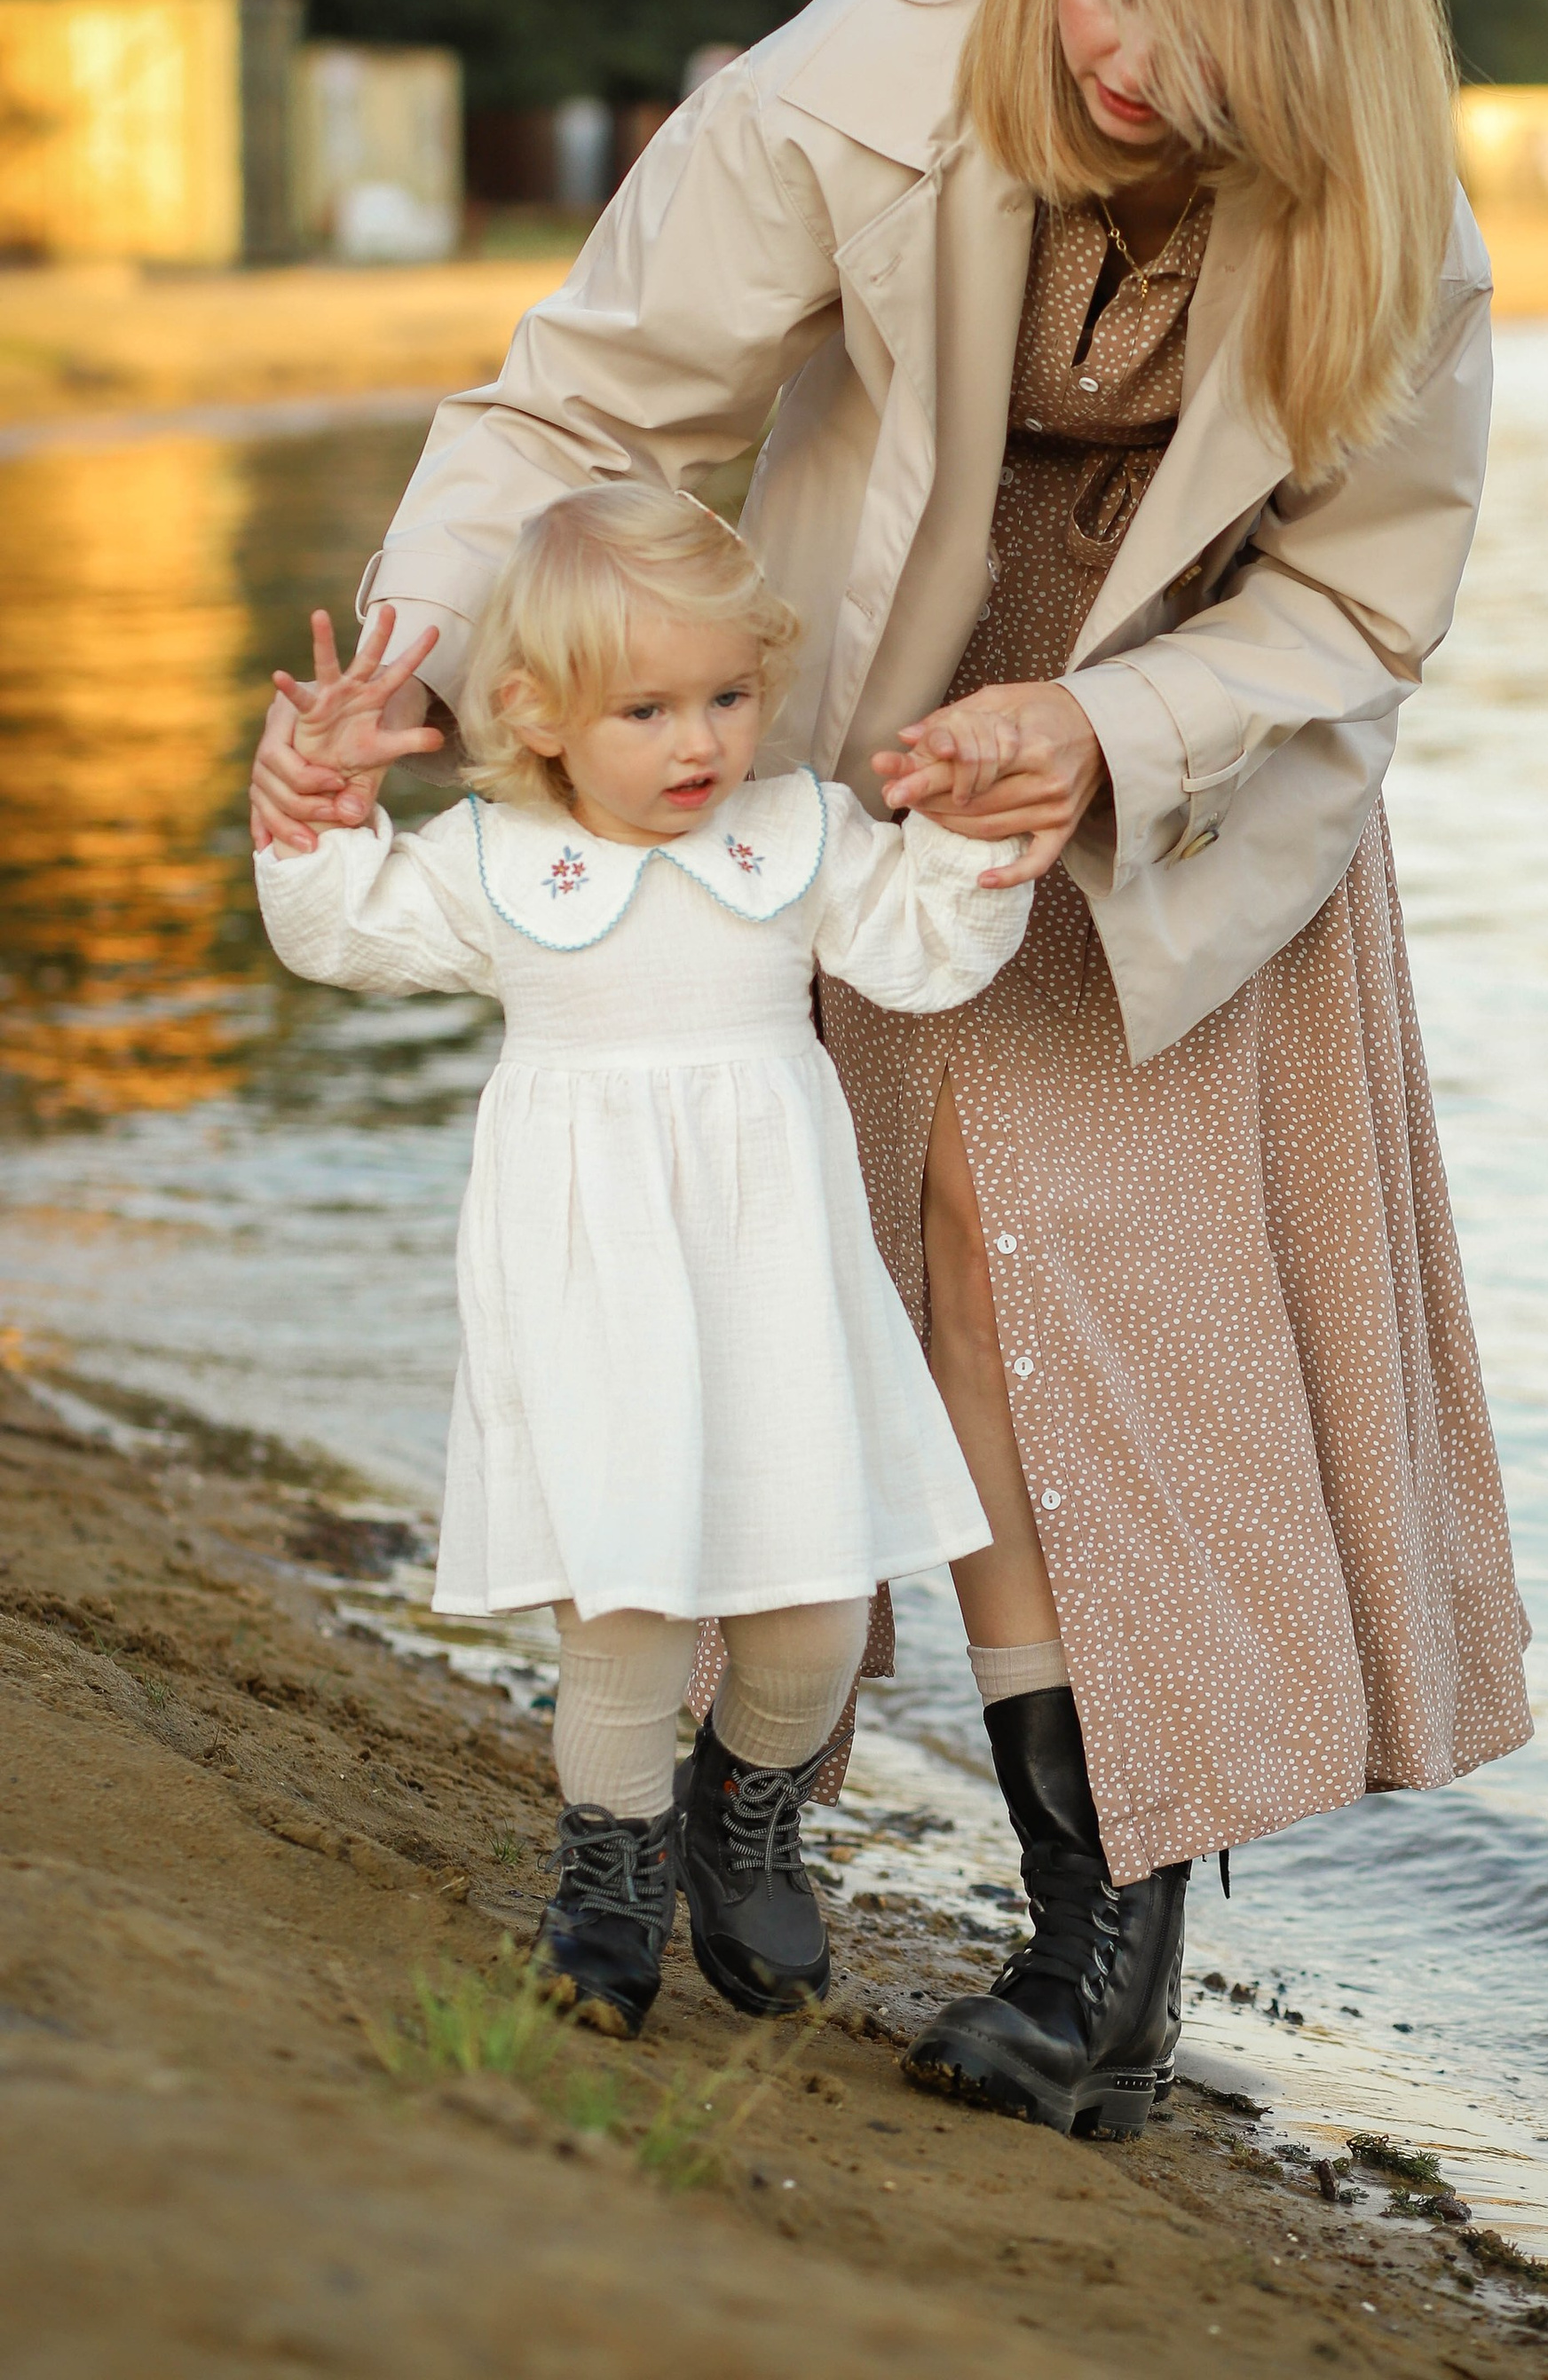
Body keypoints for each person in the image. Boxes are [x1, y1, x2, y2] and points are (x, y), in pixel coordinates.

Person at [251, 0, 1534, 2144]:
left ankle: (1101, 1951)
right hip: (870, 735)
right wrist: (421, 675)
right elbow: (583, 403)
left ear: (1318, 18)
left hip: (1178, 779)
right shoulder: (865, 72)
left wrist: (1126, 731)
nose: (1126, 53)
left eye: (1197, 17)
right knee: (847, 1258)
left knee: (1098, 1321)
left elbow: (1367, 612)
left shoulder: (1402, 228)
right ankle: (745, 1787)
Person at [253, 482, 1026, 2042]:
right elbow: (346, 938)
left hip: (775, 1285)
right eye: (650, 708)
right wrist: (322, 815)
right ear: (533, 712)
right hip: (593, 1290)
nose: (700, 744)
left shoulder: (792, 832)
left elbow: (921, 952)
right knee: (624, 1613)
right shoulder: (495, 862)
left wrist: (966, 840)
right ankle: (607, 1872)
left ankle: (740, 1813)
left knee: (809, 1615)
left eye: (730, 696)